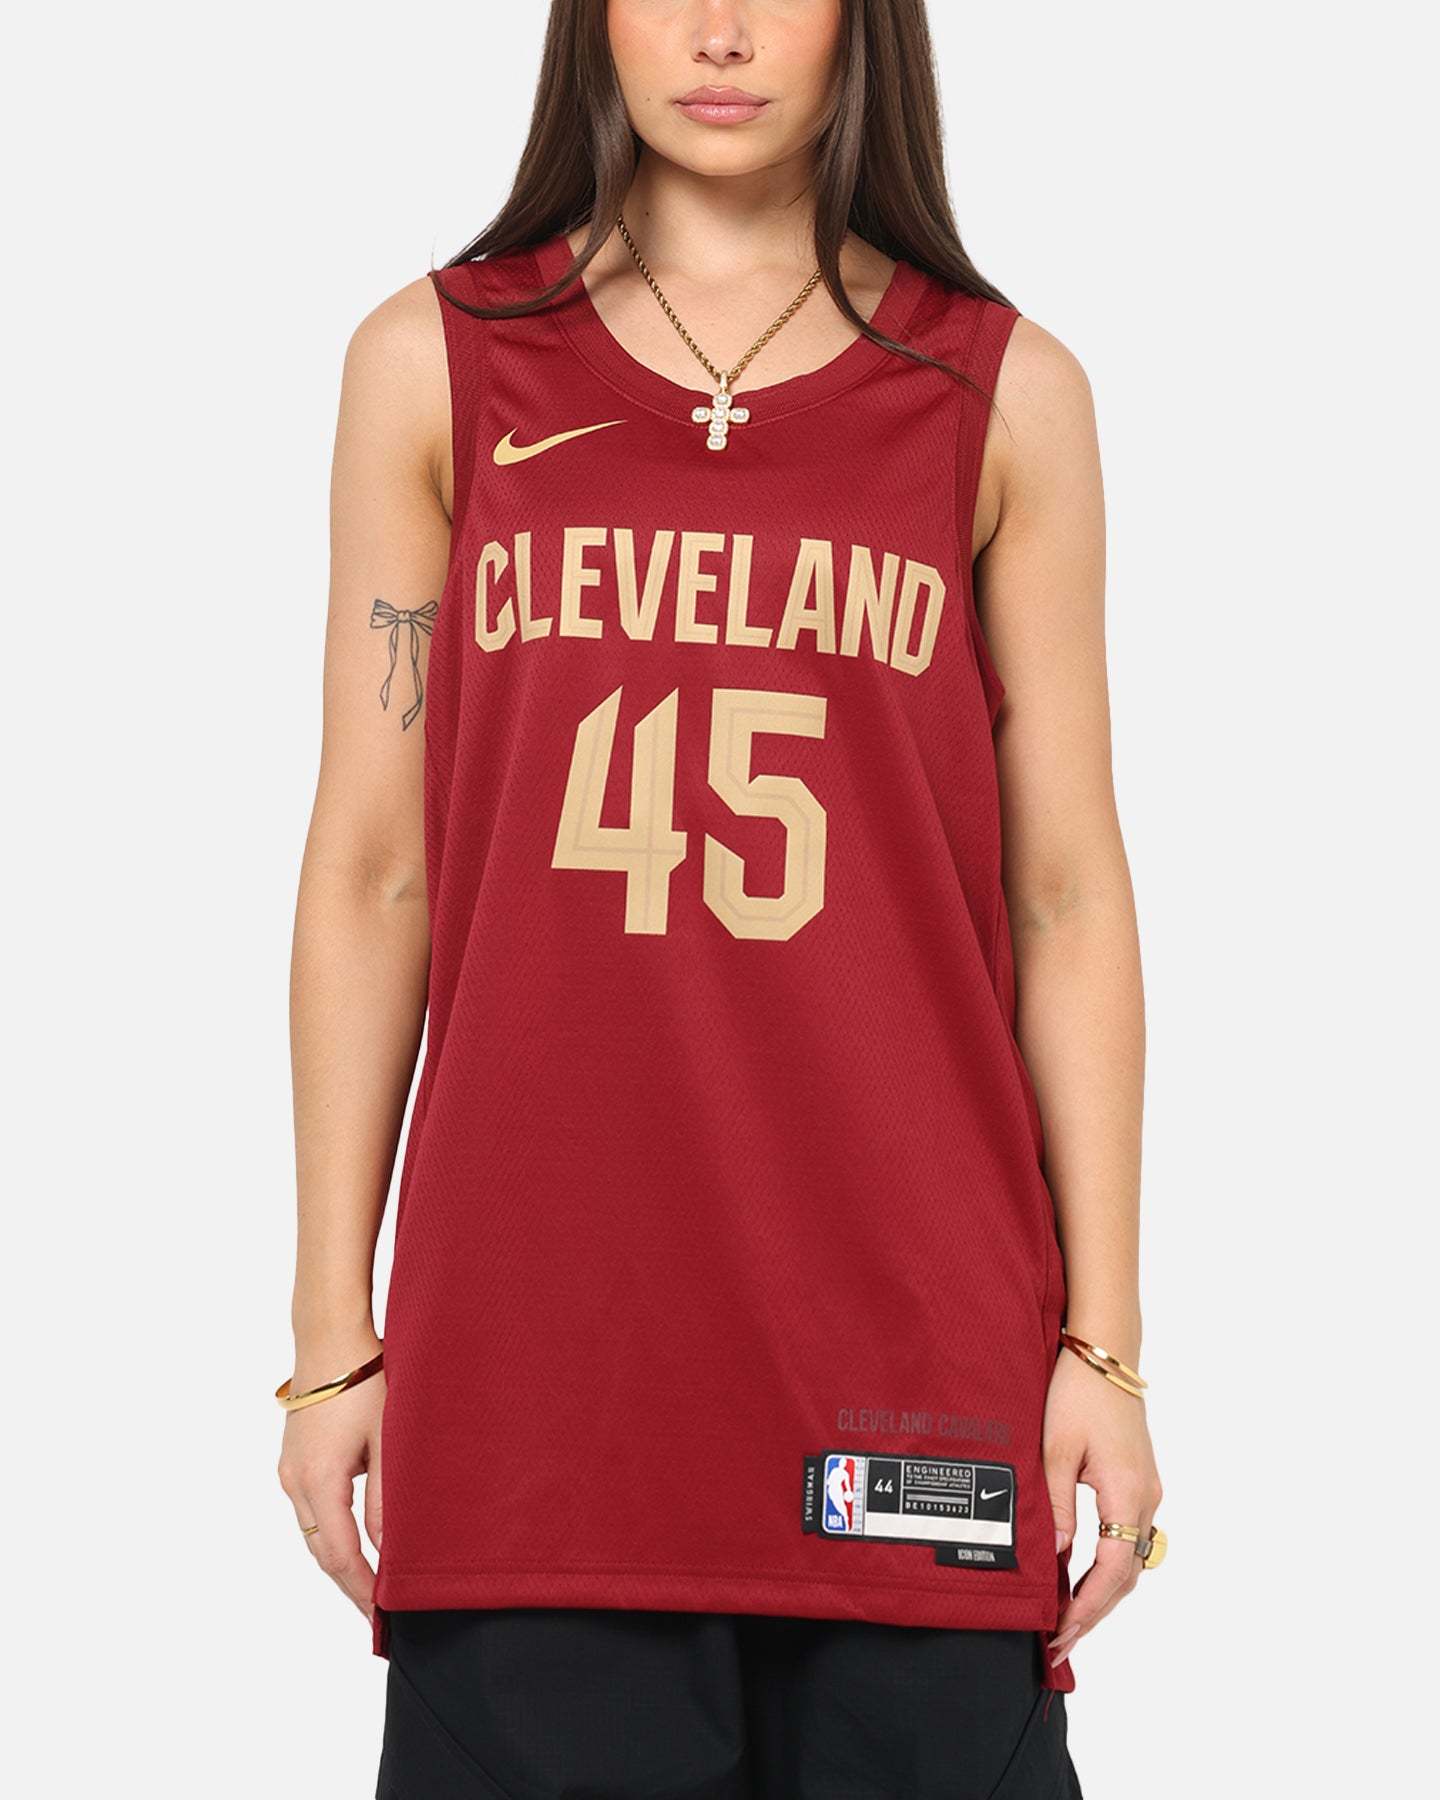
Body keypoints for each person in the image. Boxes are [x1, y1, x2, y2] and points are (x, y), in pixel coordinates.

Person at [276, 3, 1164, 1794]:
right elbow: (376, 869)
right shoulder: (435, 364)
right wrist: (328, 1342)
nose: (723, 31)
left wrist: (1108, 1350)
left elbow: (1066, 894)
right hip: (531, 1373)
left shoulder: (1004, 392)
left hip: (911, 1361)